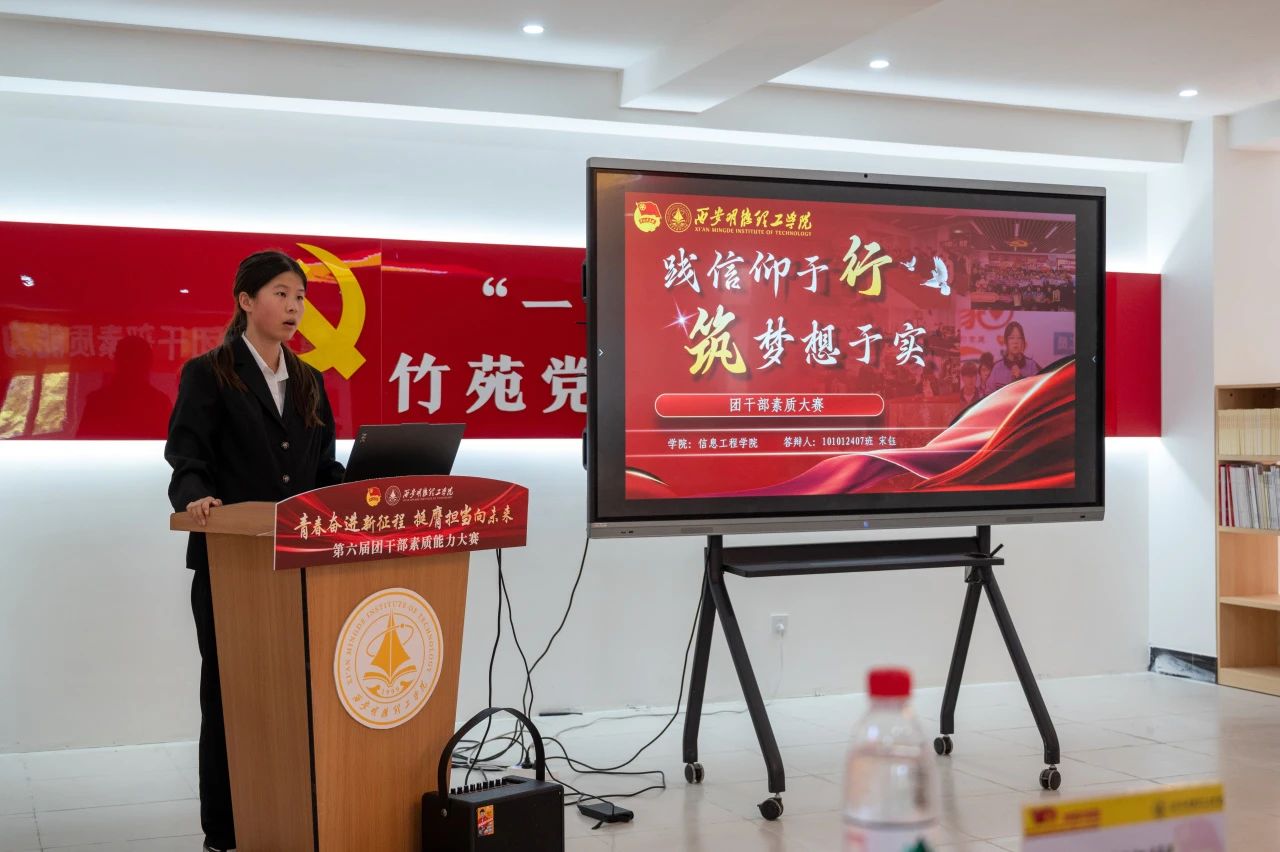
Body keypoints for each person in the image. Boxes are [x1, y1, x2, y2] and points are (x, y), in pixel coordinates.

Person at [165, 250, 345, 852]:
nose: (294, 307)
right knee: (230, 696)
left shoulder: (310, 380)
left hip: (302, 559)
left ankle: (293, 815)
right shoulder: (209, 373)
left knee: (300, 693)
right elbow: (186, 457)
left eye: (301, 297)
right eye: (280, 294)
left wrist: (361, 491)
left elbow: (323, 467)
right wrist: (197, 497)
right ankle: (225, 831)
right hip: (232, 563)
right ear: (246, 301)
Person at [987, 320, 1041, 392]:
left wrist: (1020, 378)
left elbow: (1037, 392)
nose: (1015, 342)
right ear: (1006, 341)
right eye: (1011, 338)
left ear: (1023, 341)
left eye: (1019, 338)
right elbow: (988, 395)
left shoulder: (1031, 366)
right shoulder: (997, 368)